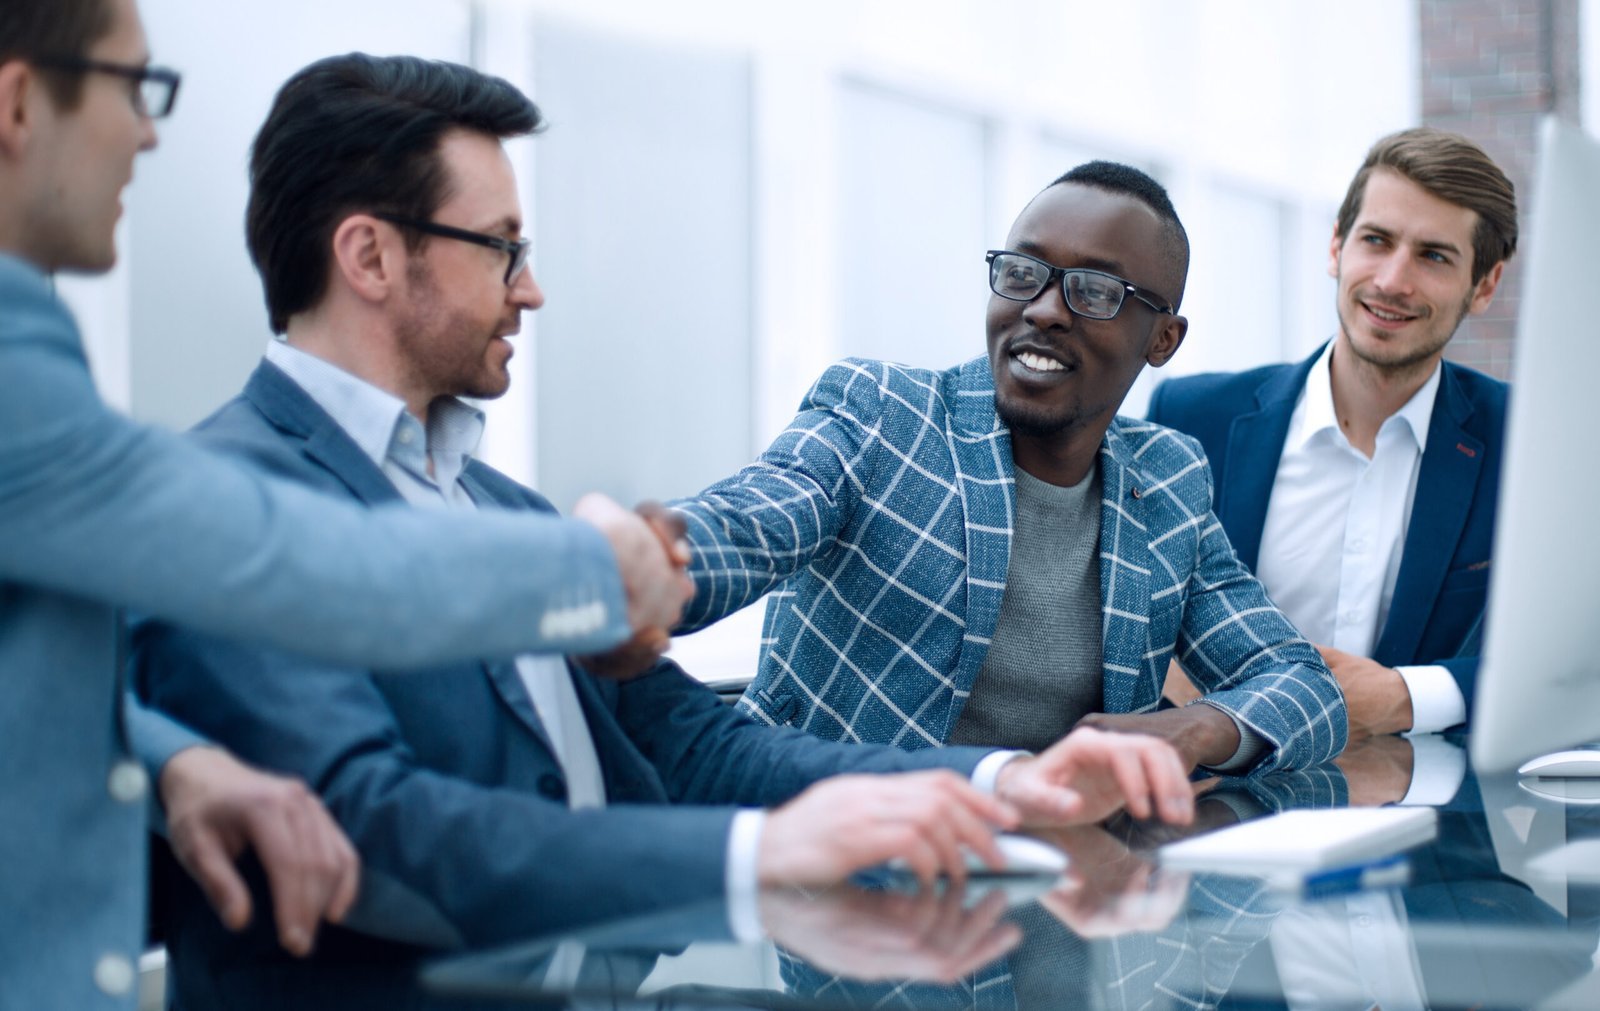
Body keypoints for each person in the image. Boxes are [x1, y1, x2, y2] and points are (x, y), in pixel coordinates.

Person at [133, 52, 1197, 1006]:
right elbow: (382, 834)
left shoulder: (492, 508)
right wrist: (759, 860)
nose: (533, 288)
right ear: (368, 258)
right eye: (500, 249)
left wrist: (1001, 784)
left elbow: (691, 744)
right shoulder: (224, 506)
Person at [0, 2, 691, 1006]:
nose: (150, 133)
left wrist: (169, 759)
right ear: (20, 101)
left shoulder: (496, 499)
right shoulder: (32, 369)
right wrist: (596, 571)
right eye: (133, 87)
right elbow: (302, 566)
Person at [673, 162, 1347, 775]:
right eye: (1023, 273)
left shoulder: (1168, 478)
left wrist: (1196, 729)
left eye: (1095, 290)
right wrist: (636, 561)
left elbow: (1303, 684)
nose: (1044, 310)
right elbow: (741, 526)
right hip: (833, 865)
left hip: (1066, 879)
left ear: (1162, 339)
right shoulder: (885, 416)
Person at [1147, 128, 1514, 738]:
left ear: (1484, 286)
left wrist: (1409, 696)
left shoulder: (1529, 446)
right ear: (1337, 246)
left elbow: (1575, 655)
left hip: (1426, 816)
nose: (1393, 281)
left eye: (1434, 256)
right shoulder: (1191, 416)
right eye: (1376, 241)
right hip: (1217, 803)